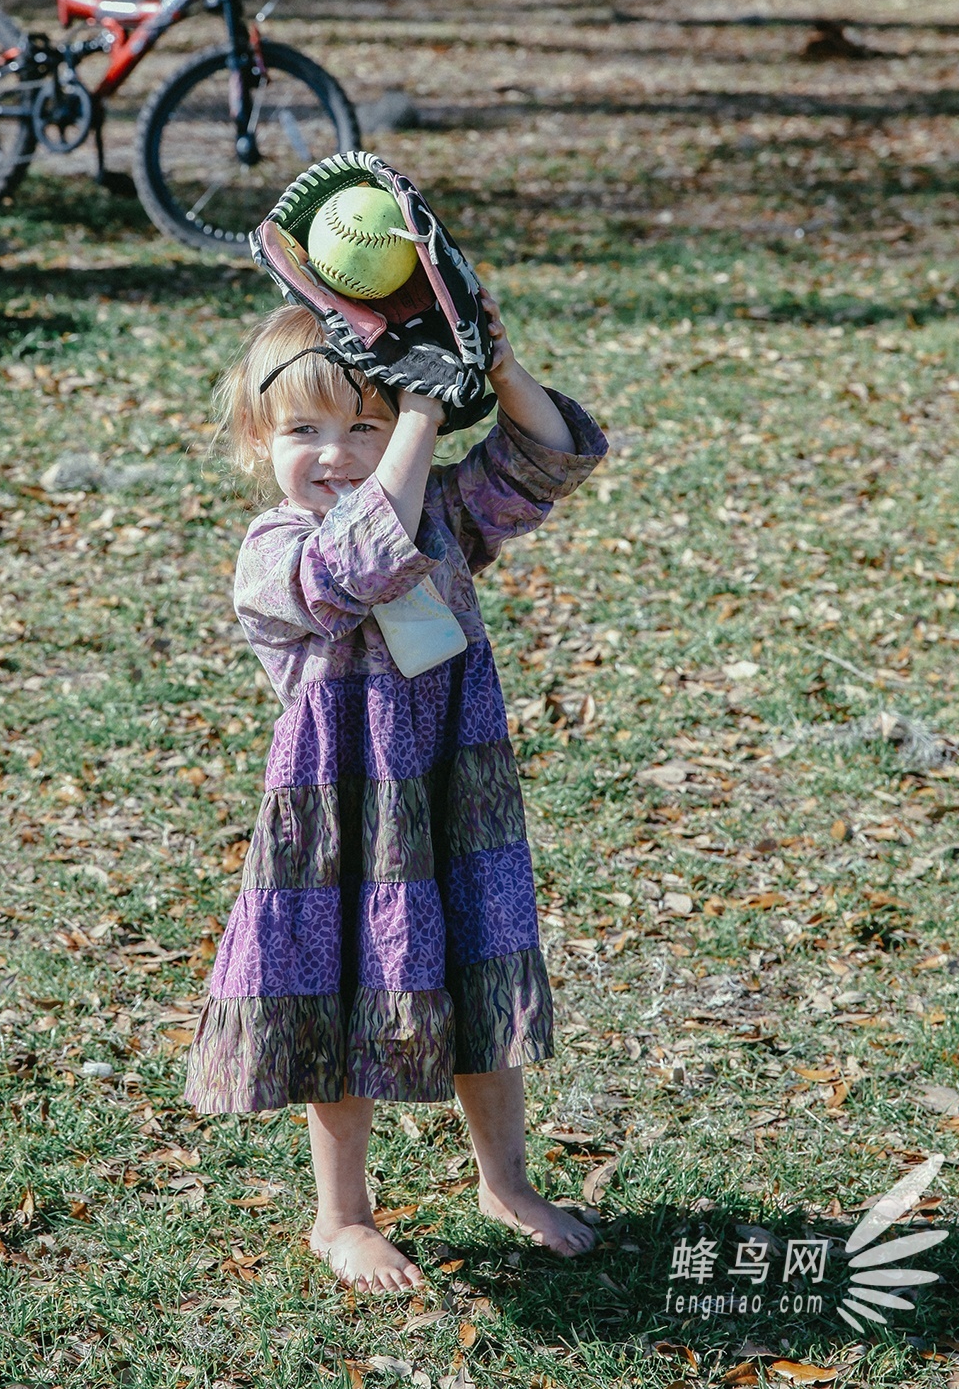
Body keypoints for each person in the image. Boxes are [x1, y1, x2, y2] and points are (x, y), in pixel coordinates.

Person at [186, 295, 608, 1292]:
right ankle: (340, 1216)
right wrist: (416, 417)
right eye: (304, 429)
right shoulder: (271, 551)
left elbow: (545, 462)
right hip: (342, 816)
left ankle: (503, 1181)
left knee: (477, 980)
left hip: (454, 794)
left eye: (363, 421)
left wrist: (495, 368)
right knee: (339, 1001)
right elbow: (354, 566)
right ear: (257, 441)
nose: (335, 451)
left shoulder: (440, 516)